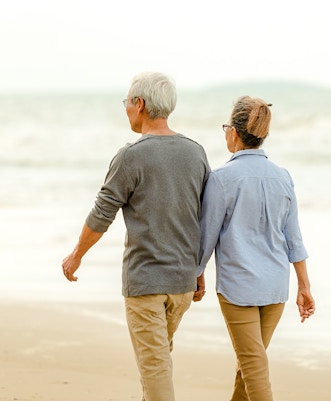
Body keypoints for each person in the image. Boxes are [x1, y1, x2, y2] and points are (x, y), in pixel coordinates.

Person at [62, 71, 210, 401]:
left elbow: (103, 213)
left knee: (156, 371)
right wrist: (199, 269)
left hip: (146, 284)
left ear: (139, 104)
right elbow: (203, 216)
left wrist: (76, 256)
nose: (126, 109)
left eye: (127, 102)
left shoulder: (131, 156)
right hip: (182, 284)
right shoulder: (196, 152)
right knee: (156, 365)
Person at [193, 96, 315, 401]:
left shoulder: (221, 178)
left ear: (233, 132)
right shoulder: (282, 177)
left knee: (251, 363)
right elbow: (293, 237)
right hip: (275, 287)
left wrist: (196, 273)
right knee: (249, 362)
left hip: (239, 289)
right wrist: (304, 285)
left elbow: (206, 237)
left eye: (225, 127)